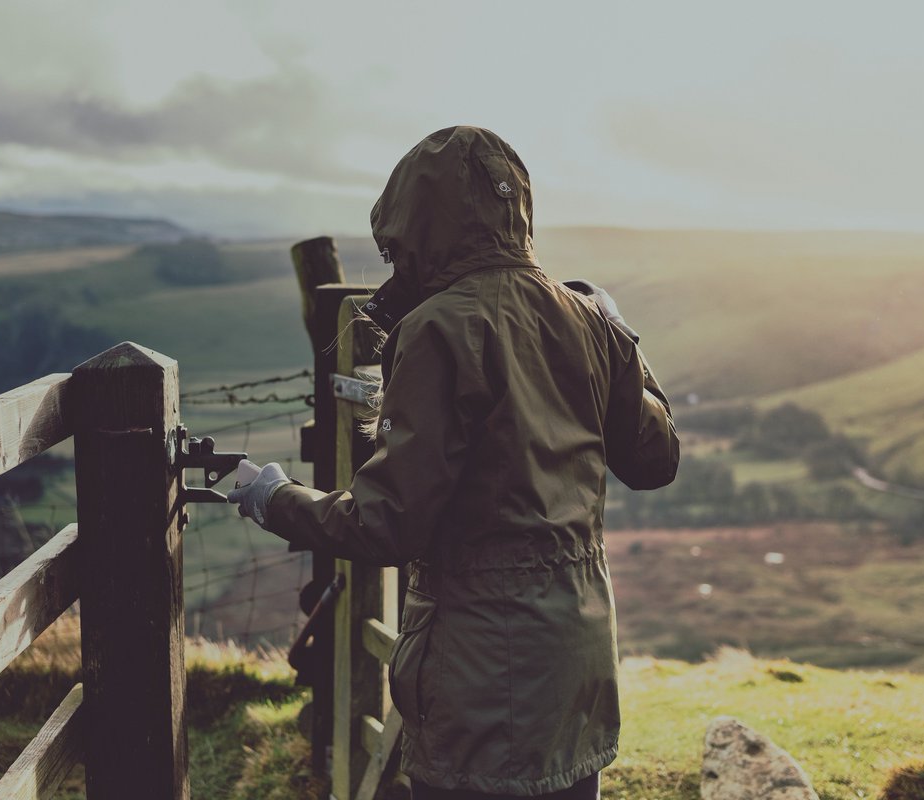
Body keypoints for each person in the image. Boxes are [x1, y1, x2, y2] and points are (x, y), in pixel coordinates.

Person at [228, 126, 678, 799]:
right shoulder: (588, 320)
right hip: (577, 666)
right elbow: (655, 457)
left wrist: (274, 496)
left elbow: (386, 524)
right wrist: (620, 336)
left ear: (415, 222)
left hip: (480, 681)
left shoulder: (437, 328)